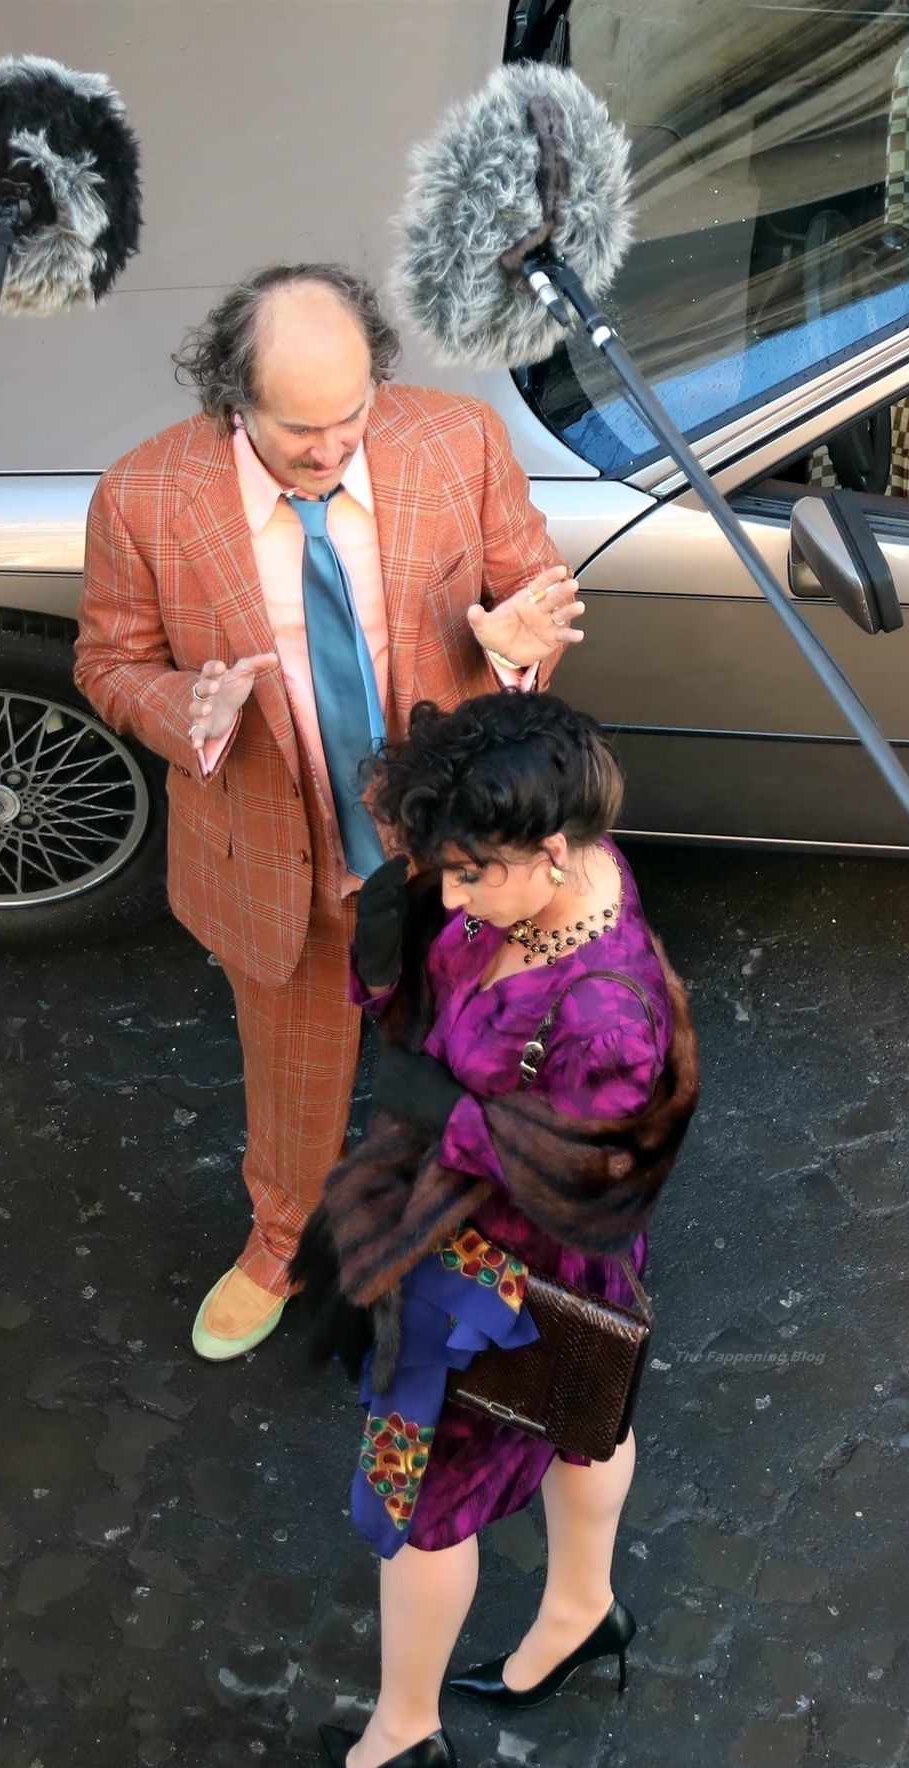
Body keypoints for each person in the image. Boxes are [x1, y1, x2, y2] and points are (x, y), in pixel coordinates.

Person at [74, 263, 584, 1360]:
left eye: (350, 415)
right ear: (232, 399)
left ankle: (478, 1227)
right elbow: (109, 664)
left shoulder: (456, 438)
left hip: (456, 842)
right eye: (299, 428)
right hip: (281, 853)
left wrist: (518, 642)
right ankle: (282, 1239)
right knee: (293, 1075)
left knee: (477, 1048)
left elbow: (528, 579)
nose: (331, 447)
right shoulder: (142, 497)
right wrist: (185, 707)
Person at [295, 691, 699, 1768]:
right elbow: (448, 987)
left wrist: (451, 1119)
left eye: (470, 874)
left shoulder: (605, 1015)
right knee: (586, 1412)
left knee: (422, 1504)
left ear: (553, 851)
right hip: (537, 1274)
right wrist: (397, 954)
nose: (453, 893)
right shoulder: (557, 870)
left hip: (492, 1287)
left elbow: (593, 1178)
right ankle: (580, 1614)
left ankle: (401, 1737)